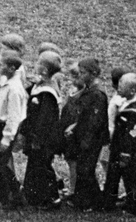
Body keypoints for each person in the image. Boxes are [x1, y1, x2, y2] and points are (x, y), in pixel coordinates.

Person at [20, 51, 63, 210]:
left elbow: (44, 120)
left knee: (43, 166)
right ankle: (34, 195)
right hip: (35, 136)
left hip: (43, 138)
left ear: (44, 70)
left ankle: (52, 197)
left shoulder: (47, 93)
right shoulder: (41, 85)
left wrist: (37, 138)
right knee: (35, 164)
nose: (35, 64)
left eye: (38, 62)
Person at [68, 56, 110, 212]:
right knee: (82, 168)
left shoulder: (97, 95)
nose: (80, 75)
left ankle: (92, 201)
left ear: (93, 74)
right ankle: (84, 199)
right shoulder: (88, 91)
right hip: (84, 135)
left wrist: (87, 139)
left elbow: (95, 121)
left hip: (92, 139)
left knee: (86, 169)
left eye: (83, 72)